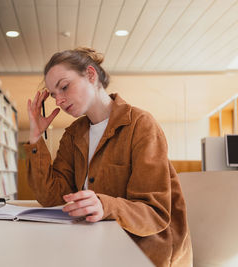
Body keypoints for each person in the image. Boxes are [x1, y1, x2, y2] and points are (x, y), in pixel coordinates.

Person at [24, 47, 192, 267]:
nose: (59, 101)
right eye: (54, 95)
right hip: (95, 247)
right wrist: (36, 137)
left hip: (144, 254)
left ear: (91, 75)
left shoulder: (141, 125)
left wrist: (105, 205)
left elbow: (155, 214)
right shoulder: (72, 135)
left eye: (64, 87)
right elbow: (51, 197)